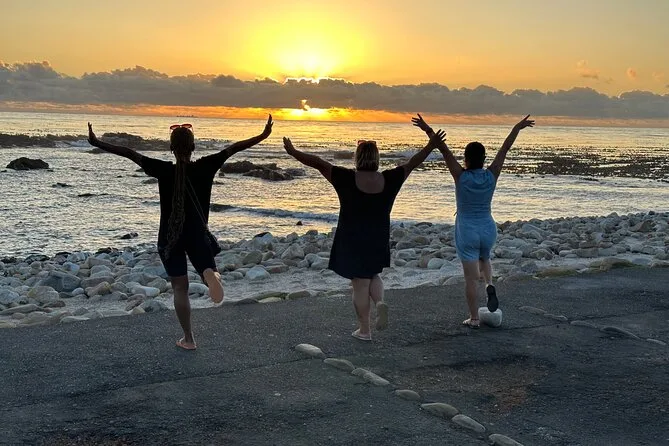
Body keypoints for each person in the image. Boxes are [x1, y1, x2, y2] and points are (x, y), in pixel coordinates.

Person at [87, 116, 273, 349]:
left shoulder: (162, 169)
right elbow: (233, 148)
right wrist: (263, 135)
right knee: (207, 267)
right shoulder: (206, 165)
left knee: (180, 288)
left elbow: (129, 152)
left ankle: (189, 339)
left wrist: (97, 142)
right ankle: (210, 274)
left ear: (171, 148)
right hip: (197, 234)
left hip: (170, 236)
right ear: (193, 147)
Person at [283, 127, 446, 340]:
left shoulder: (345, 178)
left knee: (359, 284)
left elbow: (318, 162)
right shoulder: (390, 178)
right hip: (378, 237)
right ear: (376, 158)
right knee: (373, 275)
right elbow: (413, 162)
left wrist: (293, 152)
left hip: (352, 239)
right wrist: (431, 145)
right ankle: (379, 302)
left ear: (357, 157)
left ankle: (365, 330)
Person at [412, 114, 534, 328]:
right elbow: (505, 148)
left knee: (470, 280)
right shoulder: (491, 175)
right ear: (484, 159)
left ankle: (474, 318)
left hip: (467, 230)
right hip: (487, 228)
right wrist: (517, 127)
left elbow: (443, 150)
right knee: (484, 257)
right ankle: (489, 284)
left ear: (466, 158)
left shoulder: (461, 176)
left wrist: (427, 129)